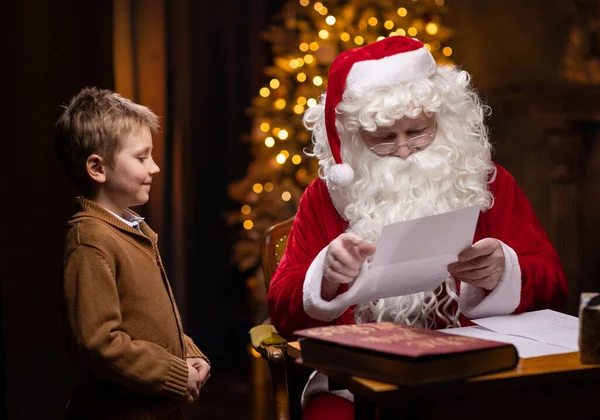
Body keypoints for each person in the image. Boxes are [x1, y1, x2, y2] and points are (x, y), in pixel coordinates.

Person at [267, 36, 568, 418]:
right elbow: (281, 309)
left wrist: (505, 271)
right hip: (357, 381)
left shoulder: (488, 183)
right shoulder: (326, 197)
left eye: (418, 131)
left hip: (474, 373)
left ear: (443, 121)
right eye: (383, 138)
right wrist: (325, 277)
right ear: (354, 140)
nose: (405, 149)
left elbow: (553, 281)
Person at [54, 87, 210, 419]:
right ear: (97, 168)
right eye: (141, 157)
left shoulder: (129, 229)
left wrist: (187, 354)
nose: (154, 168)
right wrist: (175, 374)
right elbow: (99, 343)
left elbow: (147, 323)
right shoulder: (91, 240)